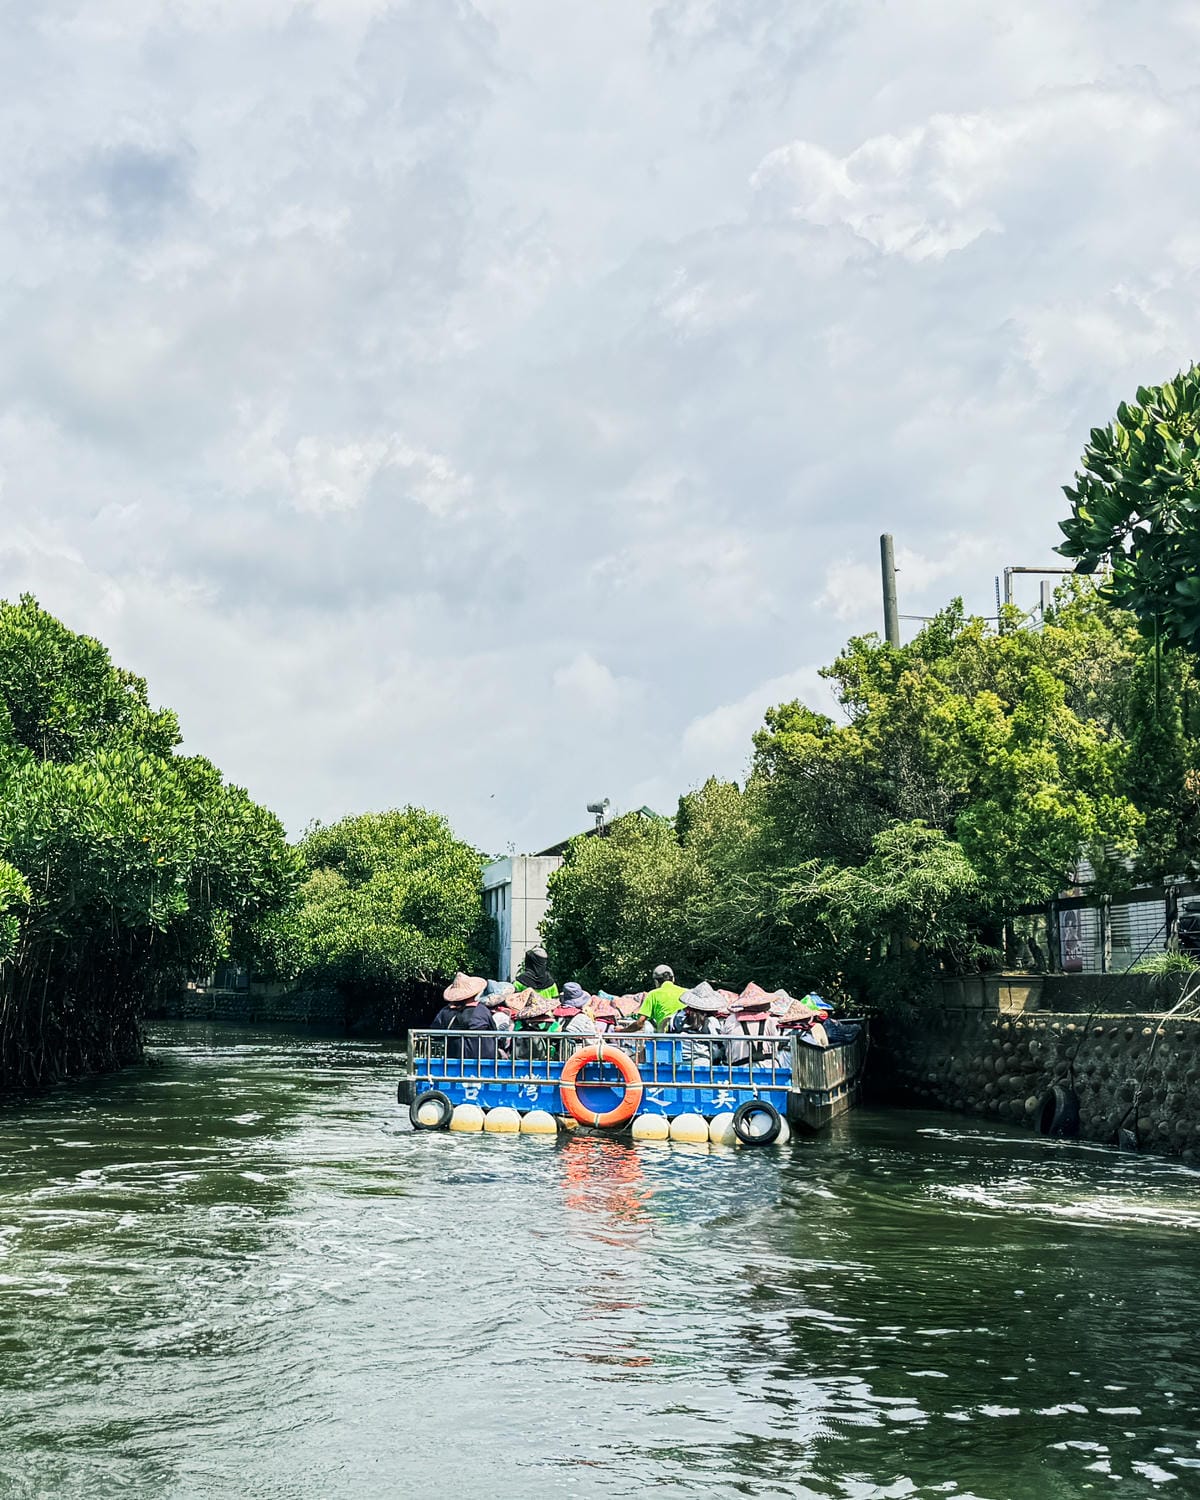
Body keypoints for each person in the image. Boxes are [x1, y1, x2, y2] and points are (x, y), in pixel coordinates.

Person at [432, 972, 496, 1062]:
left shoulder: (445, 1012)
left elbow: (435, 1034)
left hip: (454, 1062)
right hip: (485, 1062)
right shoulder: (482, 1010)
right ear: (475, 994)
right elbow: (495, 1032)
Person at [668, 980, 726, 1066]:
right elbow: (716, 1048)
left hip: (678, 1062)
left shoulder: (676, 1017)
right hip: (702, 1063)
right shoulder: (711, 1021)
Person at [723, 984, 780, 1067]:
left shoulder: (731, 1020)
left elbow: (725, 1044)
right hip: (768, 1070)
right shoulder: (771, 1021)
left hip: (739, 1070)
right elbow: (776, 1047)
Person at [624, 963, 685, 1032]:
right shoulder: (687, 993)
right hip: (686, 1038)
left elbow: (640, 1023)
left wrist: (622, 1030)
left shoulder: (653, 994)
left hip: (665, 1039)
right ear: (673, 979)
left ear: (656, 981)